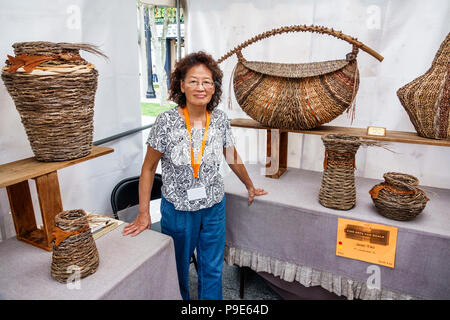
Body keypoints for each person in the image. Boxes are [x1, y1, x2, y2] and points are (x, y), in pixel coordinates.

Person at [122, 51, 267, 300]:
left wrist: (250, 186)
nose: (201, 87)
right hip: (178, 210)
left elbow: (231, 156)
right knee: (177, 269)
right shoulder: (166, 122)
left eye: (207, 82)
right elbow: (147, 169)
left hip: (213, 207)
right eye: (193, 81)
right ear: (181, 85)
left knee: (212, 268)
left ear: (214, 87)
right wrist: (144, 213)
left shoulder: (220, 120)